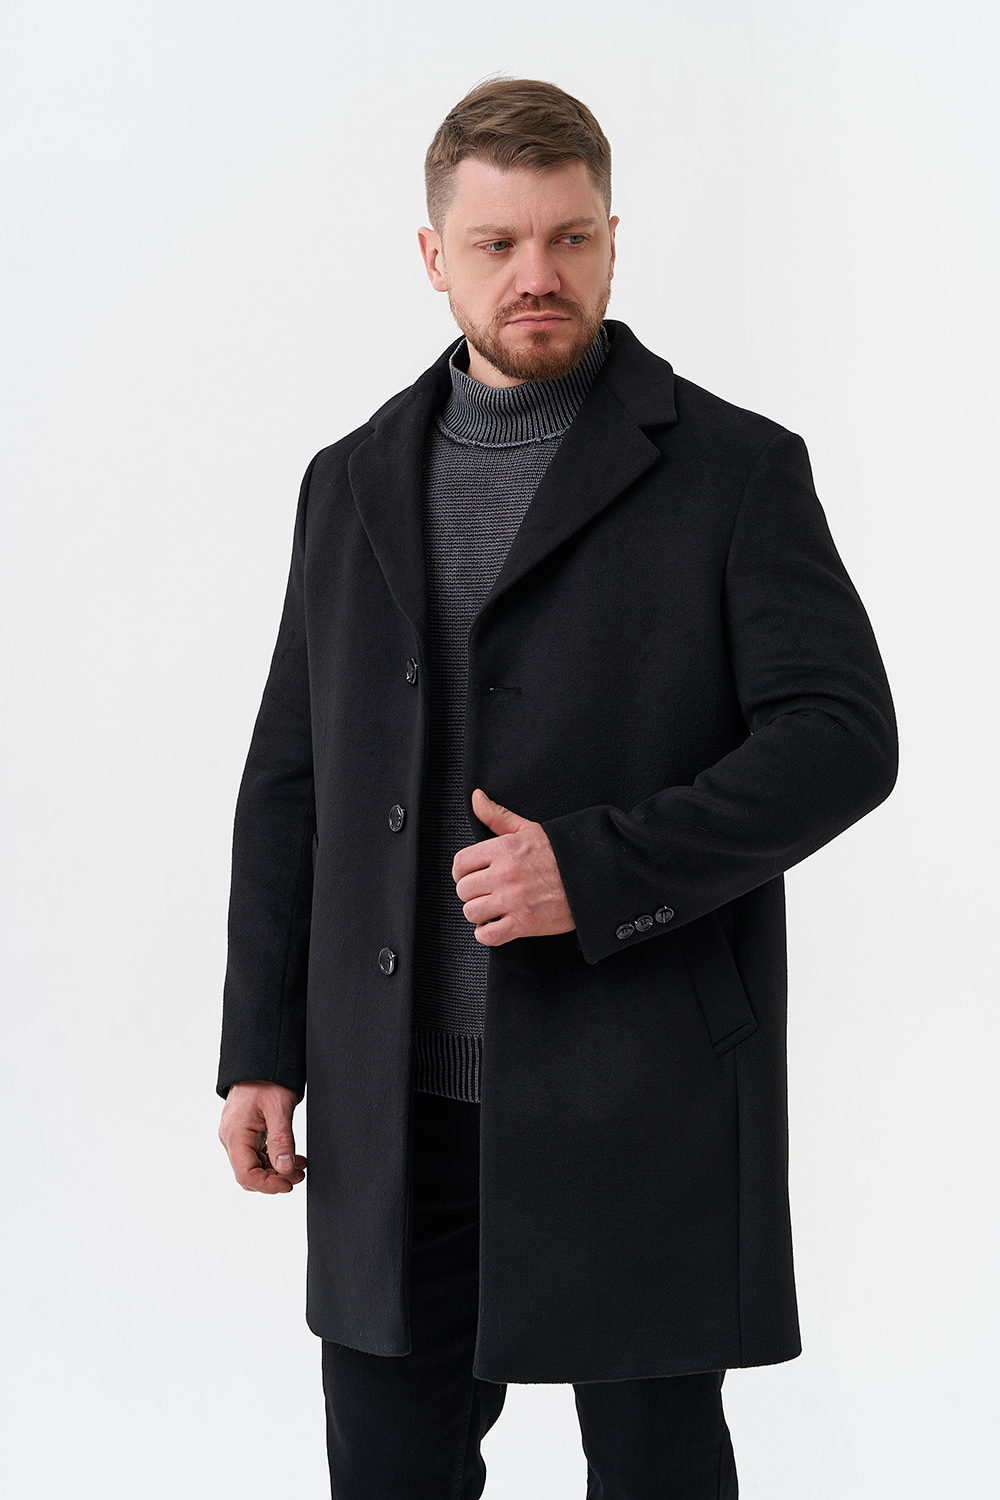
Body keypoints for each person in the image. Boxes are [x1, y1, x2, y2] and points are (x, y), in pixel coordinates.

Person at [216, 77, 897, 1498]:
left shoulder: (734, 469)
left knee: (654, 1469)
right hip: (393, 1104)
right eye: (499, 243)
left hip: (635, 1083)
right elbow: (291, 780)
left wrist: (593, 870)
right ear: (434, 256)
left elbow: (842, 737)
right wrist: (261, 1048)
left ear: (612, 240)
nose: (539, 274)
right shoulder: (347, 481)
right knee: (387, 1472)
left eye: (571, 238)